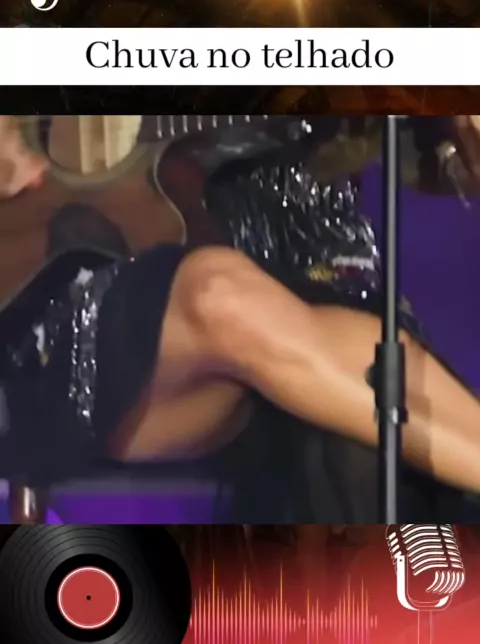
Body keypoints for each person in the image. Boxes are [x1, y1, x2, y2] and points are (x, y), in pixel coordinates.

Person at [1, 114, 480, 520]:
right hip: (71, 286)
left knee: (360, 449)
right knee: (219, 295)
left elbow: (426, 158)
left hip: (316, 271)